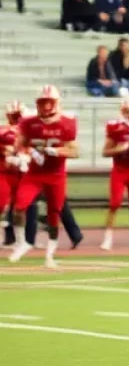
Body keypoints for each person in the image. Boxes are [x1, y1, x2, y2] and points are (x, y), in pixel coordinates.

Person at [9, 86, 78, 268]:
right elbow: (19, 145)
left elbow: (75, 151)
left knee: (54, 215)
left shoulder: (67, 122)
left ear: (56, 103)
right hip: (35, 173)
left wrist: (55, 151)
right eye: (42, 102)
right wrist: (30, 151)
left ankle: (50, 254)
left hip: (56, 175)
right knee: (19, 206)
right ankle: (22, 242)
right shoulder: (29, 122)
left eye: (49, 102)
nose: (46, 106)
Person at [100, 94, 129, 251]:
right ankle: (108, 236)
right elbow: (105, 151)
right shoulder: (116, 127)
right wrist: (121, 148)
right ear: (123, 111)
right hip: (119, 169)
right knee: (114, 204)